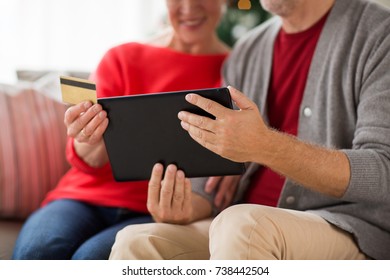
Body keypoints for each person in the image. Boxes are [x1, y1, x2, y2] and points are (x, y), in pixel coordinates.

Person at [109, 0, 390, 260]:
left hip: (347, 228)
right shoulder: (248, 49)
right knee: (136, 241)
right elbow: (213, 181)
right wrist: (186, 208)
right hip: (241, 224)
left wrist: (265, 146)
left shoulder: (379, 34)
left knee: (242, 225)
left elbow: (383, 172)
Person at [12, 0, 229, 260]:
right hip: (82, 198)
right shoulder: (123, 57)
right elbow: (90, 159)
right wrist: (86, 135)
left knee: (90, 259)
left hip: (152, 211)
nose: (189, 7)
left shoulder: (236, 70)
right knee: (36, 253)